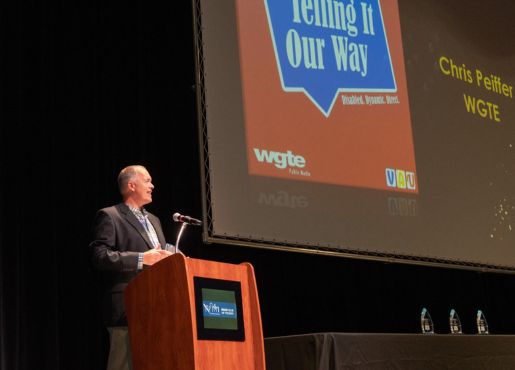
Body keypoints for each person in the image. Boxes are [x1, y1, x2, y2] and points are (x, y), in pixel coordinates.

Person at [89, 165, 174, 370]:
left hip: (156, 305)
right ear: (131, 185)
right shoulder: (110, 216)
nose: (152, 185)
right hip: (126, 306)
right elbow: (100, 256)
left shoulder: (155, 220)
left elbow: (157, 255)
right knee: (123, 365)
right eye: (147, 181)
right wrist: (141, 259)